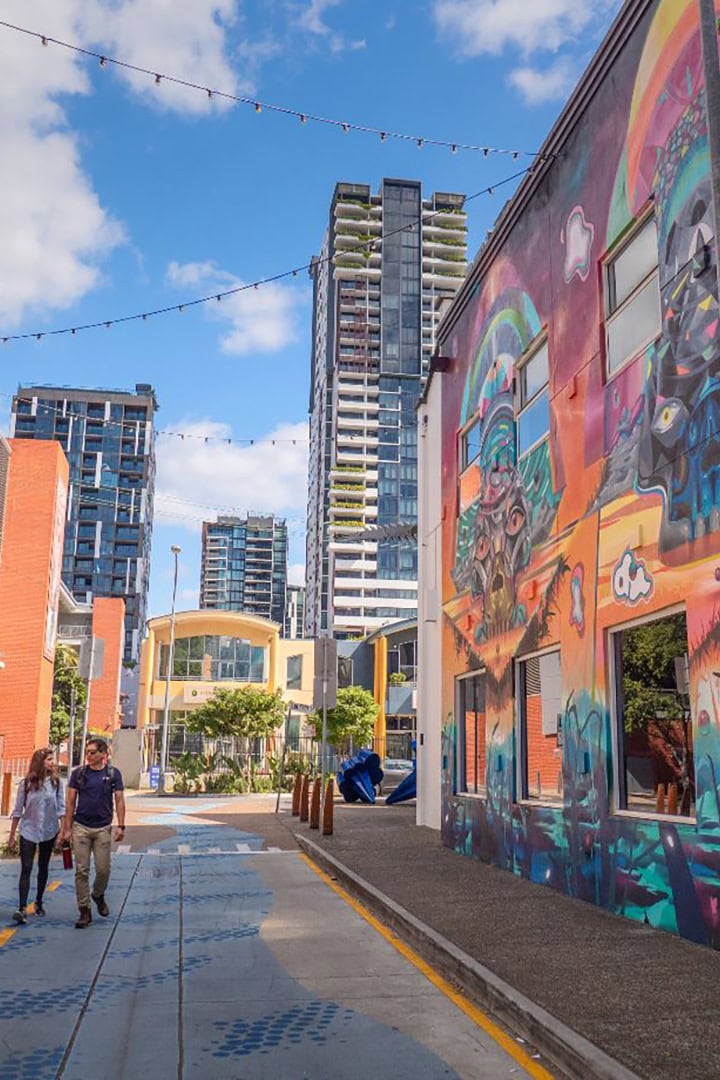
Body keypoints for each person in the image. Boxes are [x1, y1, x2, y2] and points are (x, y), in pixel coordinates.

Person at [60, 738, 126, 929]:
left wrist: (121, 825)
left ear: (103, 754)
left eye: (92, 752)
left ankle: (98, 894)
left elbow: (120, 800)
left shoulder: (113, 774)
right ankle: (84, 910)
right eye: (87, 752)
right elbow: (70, 802)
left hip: (103, 828)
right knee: (81, 870)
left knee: (103, 869)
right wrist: (66, 829)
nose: (88, 755)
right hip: (81, 827)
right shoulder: (79, 774)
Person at [8, 748, 65, 924]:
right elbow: (18, 810)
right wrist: (12, 835)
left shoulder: (56, 783)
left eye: (52, 759)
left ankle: (39, 901)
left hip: (49, 830)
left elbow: (61, 807)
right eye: (49, 759)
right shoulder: (27, 783)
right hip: (28, 830)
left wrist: (64, 830)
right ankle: (22, 907)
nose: (52, 763)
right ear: (40, 762)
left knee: (43, 866)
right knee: (26, 868)